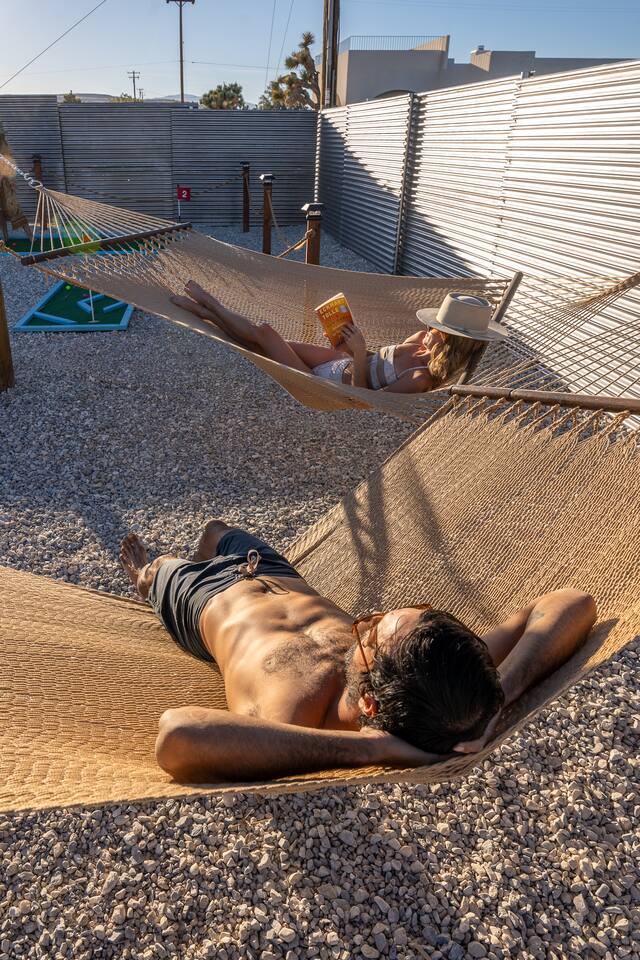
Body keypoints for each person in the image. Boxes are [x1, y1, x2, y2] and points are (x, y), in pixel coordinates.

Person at [120, 521, 597, 783]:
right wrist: (498, 698)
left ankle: (144, 579)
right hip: (271, 571)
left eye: (370, 635)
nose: (366, 620)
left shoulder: (293, 717)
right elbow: (572, 601)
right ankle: (204, 549)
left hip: (203, 600)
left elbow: (178, 735)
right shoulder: (442, 679)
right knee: (214, 530)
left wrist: (371, 748)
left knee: (160, 567)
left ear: (369, 703)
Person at [170, 282, 506, 394]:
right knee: (261, 337)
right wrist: (348, 346)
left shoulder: (419, 379)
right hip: (337, 360)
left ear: (448, 339)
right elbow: (375, 361)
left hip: (330, 384)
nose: (429, 329)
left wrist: (359, 354)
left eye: (436, 329)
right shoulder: (418, 339)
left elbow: (365, 398)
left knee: (265, 335)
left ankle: (209, 307)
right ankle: (209, 310)